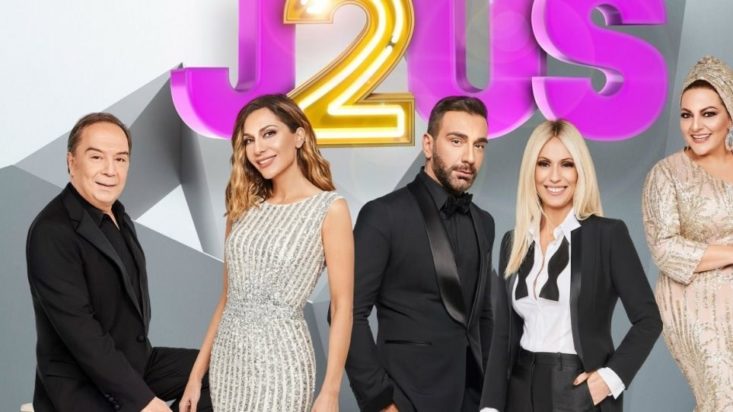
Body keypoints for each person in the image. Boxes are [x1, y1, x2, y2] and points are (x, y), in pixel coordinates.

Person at [26, 113, 212, 412]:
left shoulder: (119, 217)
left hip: (134, 363)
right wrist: (144, 402)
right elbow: (82, 334)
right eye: (96, 157)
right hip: (80, 387)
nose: (110, 170)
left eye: (121, 159)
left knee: (225, 369)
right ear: (72, 162)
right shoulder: (52, 231)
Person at [179, 94, 354, 412]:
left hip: (283, 364)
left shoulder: (330, 209)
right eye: (249, 140)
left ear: (299, 136)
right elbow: (227, 298)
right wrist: (196, 375)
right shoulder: (242, 208)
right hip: (228, 364)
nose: (258, 148)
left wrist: (331, 391)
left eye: (269, 133)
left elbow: (343, 305)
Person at [481, 120, 662, 412]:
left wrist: (608, 379)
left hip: (577, 389)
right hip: (519, 390)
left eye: (566, 164)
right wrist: (490, 407)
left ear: (580, 171)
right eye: (544, 164)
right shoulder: (513, 242)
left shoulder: (608, 235)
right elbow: (503, 336)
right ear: (531, 171)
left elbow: (649, 319)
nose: (554, 176)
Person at [345, 96, 495, 412]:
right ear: (428, 145)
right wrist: (380, 401)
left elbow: (481, 316)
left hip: (471, 399)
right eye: (457, 141)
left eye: (479, 145)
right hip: (406, 398)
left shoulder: (484, 222)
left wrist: (491, 396)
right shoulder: (383, 215)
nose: (469, 157)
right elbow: (347, 313)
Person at [642, 55, 733, 411]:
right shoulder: (666, 174)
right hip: (694, 302)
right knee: (723, 396)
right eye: (686, 115)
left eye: (708, 114)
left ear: (729, 116)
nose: (695, 126)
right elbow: (664, 249)